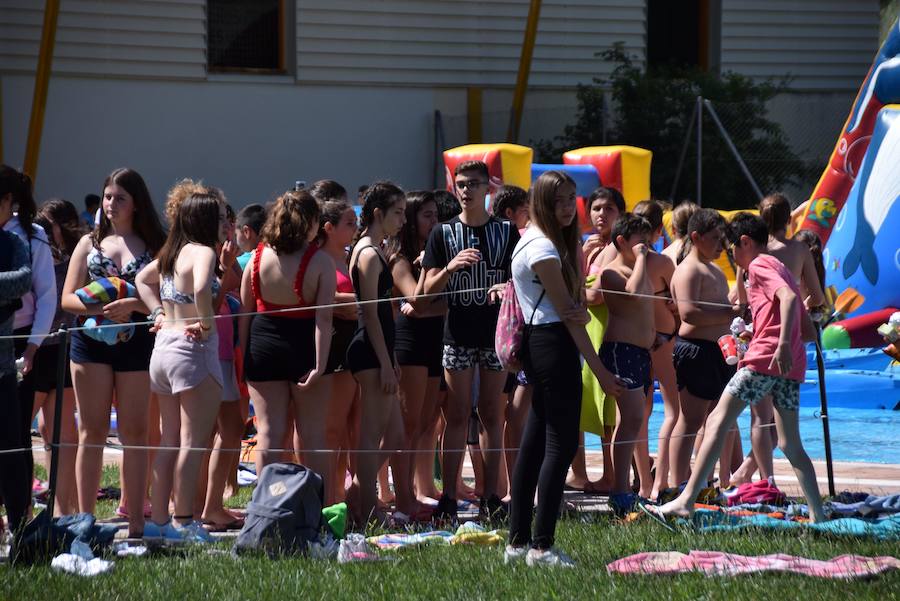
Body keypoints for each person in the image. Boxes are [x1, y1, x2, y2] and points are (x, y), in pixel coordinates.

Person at [653, 213, 826, 523]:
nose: (730, 253)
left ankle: (686, 500)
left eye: (732, 246)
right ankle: (818, 513)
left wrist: (781, 342)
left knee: (718, 419)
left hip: (765, 361)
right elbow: (800, 315)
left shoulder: (758, 265)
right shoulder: (782, 267)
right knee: (790, 442)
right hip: (789, 365)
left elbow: (787, 299)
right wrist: (760, 332)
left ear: (745, 242)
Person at [505, 171, 624, 567]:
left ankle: (518, 542)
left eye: (572, 199)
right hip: (553, 344)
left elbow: (574, 308)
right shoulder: (543, 248)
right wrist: (603, 375)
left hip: (542, 344)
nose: (568, 208)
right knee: (560, 445)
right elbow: (571, 316)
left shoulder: (532, 241)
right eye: (559, 200)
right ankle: (541, 545)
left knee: (535, 444)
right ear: (541, 201)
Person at [61, 167, 166, 538]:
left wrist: (135, 305)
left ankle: (136, 521)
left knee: (137, 432)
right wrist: (98, 309)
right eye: (107, 197)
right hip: (90, 342)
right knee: (92, 431)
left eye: (119, 198)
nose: (110, 204)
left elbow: (166, 297)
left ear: (137, 203)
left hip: (138, 341)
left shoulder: (156, 245)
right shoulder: (88, 244)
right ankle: (84, 521)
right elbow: (68, 297)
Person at [423, 161, 520, 521]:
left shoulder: (506, 231)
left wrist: (504, 286)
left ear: (487, 189)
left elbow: (520, 280)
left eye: (474, 184)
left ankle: (491, 495)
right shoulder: (443, 234)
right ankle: (449, 495)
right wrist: (449, 269)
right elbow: (423, 292)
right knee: (458, 415)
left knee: (493, 413)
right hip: (458, 332)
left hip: (496, 335)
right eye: (461, 184)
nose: (466, 191)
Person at [136, 192, 228, 542]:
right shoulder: (203, 251)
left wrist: (158, 313)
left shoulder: (171, 252)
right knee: (193, 442)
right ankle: (184, 520)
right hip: (193, 351)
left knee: (170, 440)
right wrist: (206, 324)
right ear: (204, 220)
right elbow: (203, 286)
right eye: (219, 217)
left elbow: (143, 281)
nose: (224, 223)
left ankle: (159, 520)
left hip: (162, 350)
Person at [729, 194, 828, 487]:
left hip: (758, 335)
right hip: (789, 338)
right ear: (789, 220)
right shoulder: (799, 250)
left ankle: (764, 478)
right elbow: (817, 296)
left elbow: (741, 298)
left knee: (759, 417)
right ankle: (753, 474)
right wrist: (803, 303)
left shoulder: (750, 252)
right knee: (785, 421)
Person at [238, 190, 335, 486]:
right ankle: (318, 507)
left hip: (262, 345)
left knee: (268, 431)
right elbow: (324, 318)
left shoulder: (256, 257)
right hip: (304, 345)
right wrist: (320, 365)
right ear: (311, 222)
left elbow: (244, 314)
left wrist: (244, 359)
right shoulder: (320, 262)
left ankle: (264, 503)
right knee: (313, 433)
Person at [667, 209, 745, 494]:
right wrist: (728, 311)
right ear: (696, 237)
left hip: (718, 351)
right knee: (689, 421)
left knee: (717, 420)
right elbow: (688, 314)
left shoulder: (713, 270)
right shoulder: (688, 269)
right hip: (695, 351)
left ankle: (705, 481)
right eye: (714, 239)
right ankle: (676, 483)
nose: (720, 245)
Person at [345, 182, 409, 524]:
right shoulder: (368, 253)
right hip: (370, 350)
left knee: (396, 435)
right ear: (377, 214)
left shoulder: (374, 249)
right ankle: (368, 511)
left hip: (382, 348)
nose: (402, 219)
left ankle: (358, 491)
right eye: (397, 212)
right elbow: (370, 313)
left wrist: (392, 358)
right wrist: (385, 362)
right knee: (371, 435)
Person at [387, 190, 445, 519]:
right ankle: (401, 497)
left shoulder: (431, 257)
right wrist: (434, 273)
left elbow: (429, 307)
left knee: (425, 423)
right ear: (410, 219)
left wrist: (434, 306)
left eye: (436, 214)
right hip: (409, 343)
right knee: (407, 426)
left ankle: (411, 493)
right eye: (427, 215)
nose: (434, 221)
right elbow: (416, 299)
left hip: (433, 340)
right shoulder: (400, 259)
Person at [1, 165, 57, 507]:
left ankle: (19, 515)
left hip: (22, 339)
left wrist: (34, 346)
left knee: (16, 431)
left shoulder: (30, 235)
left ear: (9, 199)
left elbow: (45, 294)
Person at [598, 213, 656, 514]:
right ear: (622, 242)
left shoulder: (637, 270)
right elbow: (632, 296)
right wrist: (643, 258)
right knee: (631, 419)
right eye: (641, 242)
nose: (647, 246)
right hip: (621, 351)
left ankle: (626, 484)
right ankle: (619, 487)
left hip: (640, 353)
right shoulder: (611, 272)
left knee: (634, 420)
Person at [571, 186, 624, 493]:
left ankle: (610, 474)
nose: (602, 214)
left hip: (605, 331)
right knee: (588, 404)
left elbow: (594, 296)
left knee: (607, 407)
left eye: (609, 209)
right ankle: (584, 473)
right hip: (588, 333)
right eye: (596, 209)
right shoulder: (588, 246)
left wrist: (585, 261)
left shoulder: (616, 248)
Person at [32, 199, 83, 516]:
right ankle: (22, 502)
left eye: (48, 222)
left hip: (65, 348)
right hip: (36, 348)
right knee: (24, 429)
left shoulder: (78, 256)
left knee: (61, 433)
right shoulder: (35, 249)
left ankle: (64, 510)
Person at [312, 188, 361, 506]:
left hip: (349, 345)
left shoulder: (346, 256)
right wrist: (354, 301)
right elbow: (316, 300)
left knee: (346, 429)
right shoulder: (319, 259)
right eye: (348, 222)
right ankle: (327, 497)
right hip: (329, 345)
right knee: (329, 430)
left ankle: (340, 493)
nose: (355, 228)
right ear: (328, 228)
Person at [631, 200, 678, 501]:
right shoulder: (662, 263)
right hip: (663, 336)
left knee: (639, 414)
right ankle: (660, 481)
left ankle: (644, 484)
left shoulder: (618, 258)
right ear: (660, 229)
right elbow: (676, 303)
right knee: (675, 409)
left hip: (633, 338)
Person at [0, 197, 33, 544]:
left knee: (11, 450)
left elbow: (23, 281)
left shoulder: (12, 242)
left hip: (4, 367)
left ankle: (20, 529)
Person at [234, 203, 267, 270]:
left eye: (236, 234)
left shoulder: (238, 263)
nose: (235, 239)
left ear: (246, 232)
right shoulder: (275, 256)